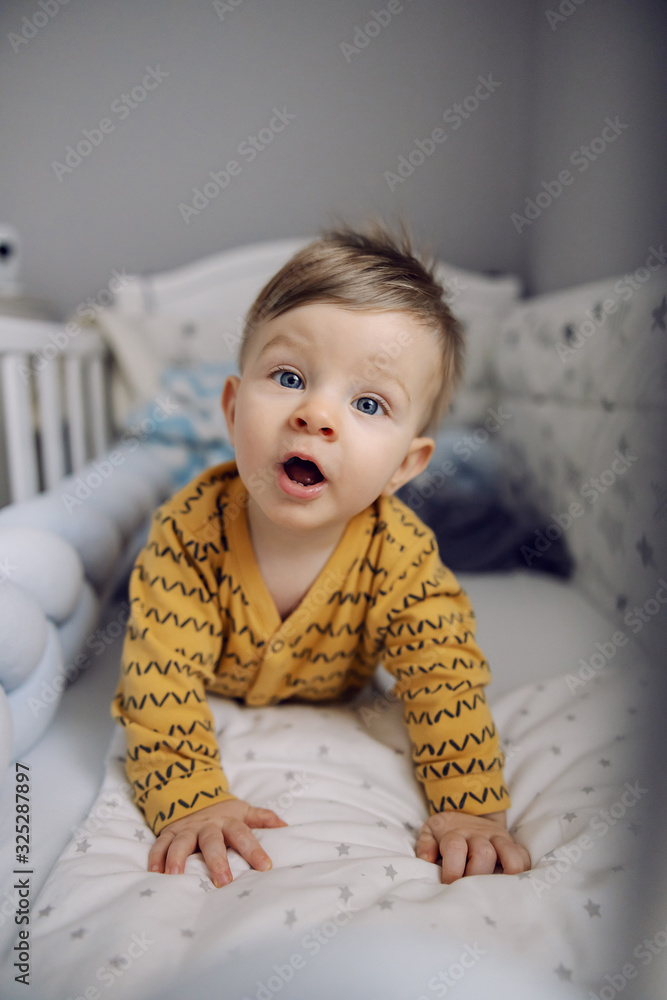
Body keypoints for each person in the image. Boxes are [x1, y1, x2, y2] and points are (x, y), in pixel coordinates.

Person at [111, 223, 531, 889]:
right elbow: (157, 684)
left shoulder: (400, 557)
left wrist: (468, 807)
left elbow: (442, 679)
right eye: (287, 376)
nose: (315, 414)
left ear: (404, 464)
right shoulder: (188, 535)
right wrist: (190, 796)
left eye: (367, 402)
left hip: (343, 690)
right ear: (231, 406)